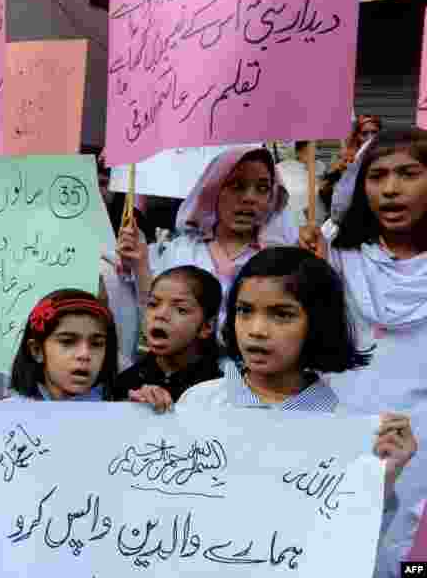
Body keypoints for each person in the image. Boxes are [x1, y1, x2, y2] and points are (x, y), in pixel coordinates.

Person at [131, 247, 417, 578]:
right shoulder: (198, 404)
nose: (256, 330)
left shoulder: (349, 433)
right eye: (245, 311)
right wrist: (142, 429)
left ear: (317, 323)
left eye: (281, 314)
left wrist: (382, 478)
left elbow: (355, 551)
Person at [300, 128, 427, 577]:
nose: (390, 189)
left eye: (408, 174)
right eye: (377, 176)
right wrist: (310, 278)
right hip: (340, 430)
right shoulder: (334, 249)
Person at [0, 289, 119, 578]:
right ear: (36, 350)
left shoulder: (125, 417)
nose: (84, 355)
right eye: (68, 342)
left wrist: (154, 413)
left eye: (97, 344)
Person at [110, 146, 298, 365]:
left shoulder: (281, 261)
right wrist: (139, 264)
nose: (249, 198)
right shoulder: (178, 252)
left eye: (262, 188)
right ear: (213, 191)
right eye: (237, 185)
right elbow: (151, 316)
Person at [109, 265, 223, 403]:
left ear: (207, 326)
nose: (160, 315)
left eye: (180, 310)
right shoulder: (126, 382)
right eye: (153, 304)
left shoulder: (220, 390)